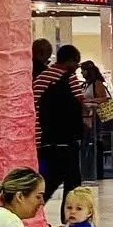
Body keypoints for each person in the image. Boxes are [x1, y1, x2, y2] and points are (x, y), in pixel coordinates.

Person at [33, 43, 89, 204]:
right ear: (69, 61)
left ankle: (35, 206)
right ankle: (69, 215)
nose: (77, 67)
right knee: (69, 180)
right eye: (76, 63)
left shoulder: (42, 77)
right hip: (65, 138)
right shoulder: (68, 77)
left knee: (52, 176)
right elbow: (80, 101)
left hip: (43, 136)